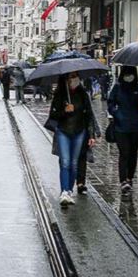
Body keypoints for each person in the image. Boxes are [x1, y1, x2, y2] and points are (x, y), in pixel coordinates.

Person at [48, 72, 99, 205]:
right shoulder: (60, 94)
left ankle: (69, 190)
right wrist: (65, 111)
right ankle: (64, 191)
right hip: (63, 131)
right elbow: (53, 115)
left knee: (74, 163)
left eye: (76, 76)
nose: (74, 79)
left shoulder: (83, 94)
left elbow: (89, 115)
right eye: (71, 77)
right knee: (65, 161)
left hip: (79, 131)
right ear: (66, 79)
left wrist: (91, 135)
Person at [108, 66, 138, 195]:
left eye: (131, 73)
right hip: (121, 126)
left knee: (133, 153)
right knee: (124, 153)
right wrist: (116, 113)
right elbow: (110, 103)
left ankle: (130, 178)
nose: (129, 76)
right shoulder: (117, 88)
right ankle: (123, 180)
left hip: (136, 126)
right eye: (126, 73)